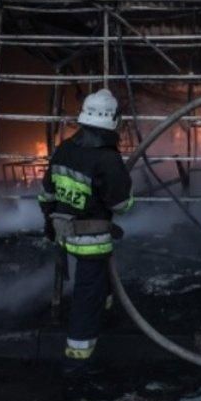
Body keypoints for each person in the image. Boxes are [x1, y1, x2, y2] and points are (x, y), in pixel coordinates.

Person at [39, 88, 134, 375]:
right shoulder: (108, 159)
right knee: (86, 296)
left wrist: (50, 223)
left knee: (95, 285)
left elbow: (46, 193)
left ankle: (105, 308)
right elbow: (121, 205)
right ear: (113, 120)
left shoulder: (64, 148)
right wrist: (130, 195)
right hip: (92, 240)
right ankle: (77, 357)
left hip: (64, 233)